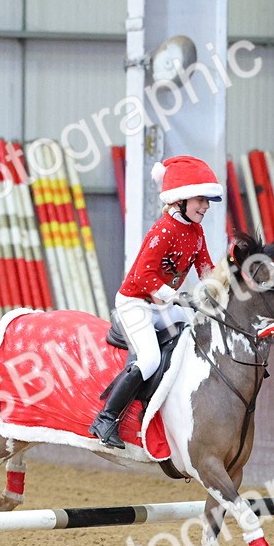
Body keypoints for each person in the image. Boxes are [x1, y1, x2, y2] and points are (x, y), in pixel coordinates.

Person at [88, 155, 223, 448]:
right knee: (149, 359)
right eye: (200, 199)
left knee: (193, 337)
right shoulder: (163, 230)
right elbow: (141, 276)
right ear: (180, 200)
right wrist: (176, 297)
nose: (206, 206)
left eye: (207, 200)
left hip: (162, 307)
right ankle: (106, 419)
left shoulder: (196, 232)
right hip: (134, 303)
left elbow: (205, 270)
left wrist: (226, 282)